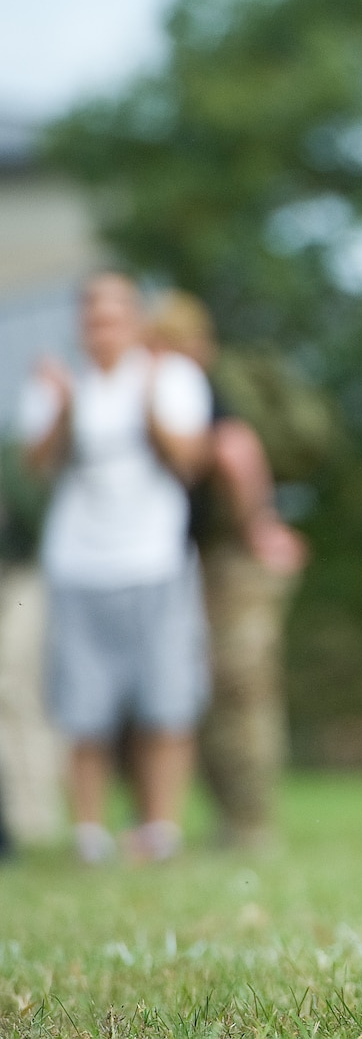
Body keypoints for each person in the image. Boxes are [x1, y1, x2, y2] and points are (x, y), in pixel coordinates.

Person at [16, 272, 212, 864]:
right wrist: (67, 409)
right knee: (84, 708)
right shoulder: (57, 384)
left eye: (115, 315)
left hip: (154, 559)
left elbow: (189, 461)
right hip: (79, 564)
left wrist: (149, 403)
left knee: (166, 702)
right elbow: (36, 464)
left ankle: (160, 830)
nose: (103, 327)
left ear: (136, 320)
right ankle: (91, 834)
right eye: (93, 317)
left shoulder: (172, 376)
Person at [149, 291, 316, 849]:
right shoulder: (191, 386)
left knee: (241, 685)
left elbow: (236, 452)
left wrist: (259, 527)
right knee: (221, 685)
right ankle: (235, 821)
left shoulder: (198, 388)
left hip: (234, 559)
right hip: (209, 558)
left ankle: (251, 825)